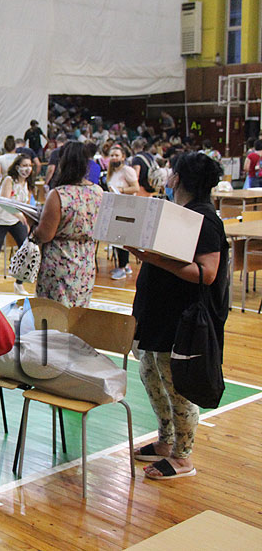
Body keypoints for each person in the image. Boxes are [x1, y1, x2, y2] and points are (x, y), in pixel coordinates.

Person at [128, 152, 228, 480]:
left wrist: (154, 259)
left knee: (177, 387)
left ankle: (183, 457)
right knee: (150, 372)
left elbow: (207, 273)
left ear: (179, 179)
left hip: (182, 317)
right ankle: (165, 440)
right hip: (158, 312)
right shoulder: (179, 213)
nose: (169, 178)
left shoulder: (205, 219)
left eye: (172, 173)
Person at [33, 142, 103, 307]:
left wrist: (33, 226)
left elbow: (45, 234)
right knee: (79, 311)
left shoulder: (59, 195)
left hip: (60, 261)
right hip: (86, 260)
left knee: (54, 313)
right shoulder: (98, 192)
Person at [0, 155, 34, 294]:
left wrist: (26, 221)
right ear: (17, 167)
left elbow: (25, 205)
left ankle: (19, 284)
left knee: (27, 250)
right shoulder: (9, 180)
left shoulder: (27, 184)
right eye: (24, 165)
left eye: (30, 165)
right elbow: (4, 202)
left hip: (15, 222)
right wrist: (18, 215)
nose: (27, 169)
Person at [107, 144, 139, 280]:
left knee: (122, 239)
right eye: (112, 155)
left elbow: (136, 188)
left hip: (127, 208)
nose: (114, 158)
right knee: (115, 238)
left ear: (123, 157)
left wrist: (121, 190)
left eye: (116, 155)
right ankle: (124, 266)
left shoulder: (128, 170)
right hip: (115, 207)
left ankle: (123, 266)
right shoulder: (111, 171)